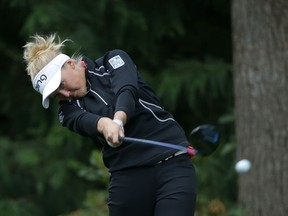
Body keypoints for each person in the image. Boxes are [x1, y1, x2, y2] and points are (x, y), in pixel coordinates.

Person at [23, 33, 197, 216]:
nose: (65, 95)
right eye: (57, 94)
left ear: (70, 64)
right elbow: (90, 122)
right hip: (128, 177)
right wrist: (106, 125)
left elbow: (127, 90)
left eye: (62, 84)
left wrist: (118, 121)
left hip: (172, 164)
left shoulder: (112, 60)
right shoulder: (66, 111)